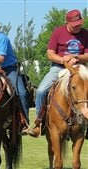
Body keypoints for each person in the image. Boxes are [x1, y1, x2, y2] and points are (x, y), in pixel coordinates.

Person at [28, 9, 88, 137]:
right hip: (59, 67)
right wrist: (63, 59)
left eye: (79, 23)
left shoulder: (85, 34)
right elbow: (50, 54)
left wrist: (76, 57)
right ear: (67, 22)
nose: (78, 26)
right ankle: (40, 123)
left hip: (80, 68)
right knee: (41, 91)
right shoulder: (58, 32)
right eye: (75, 24)